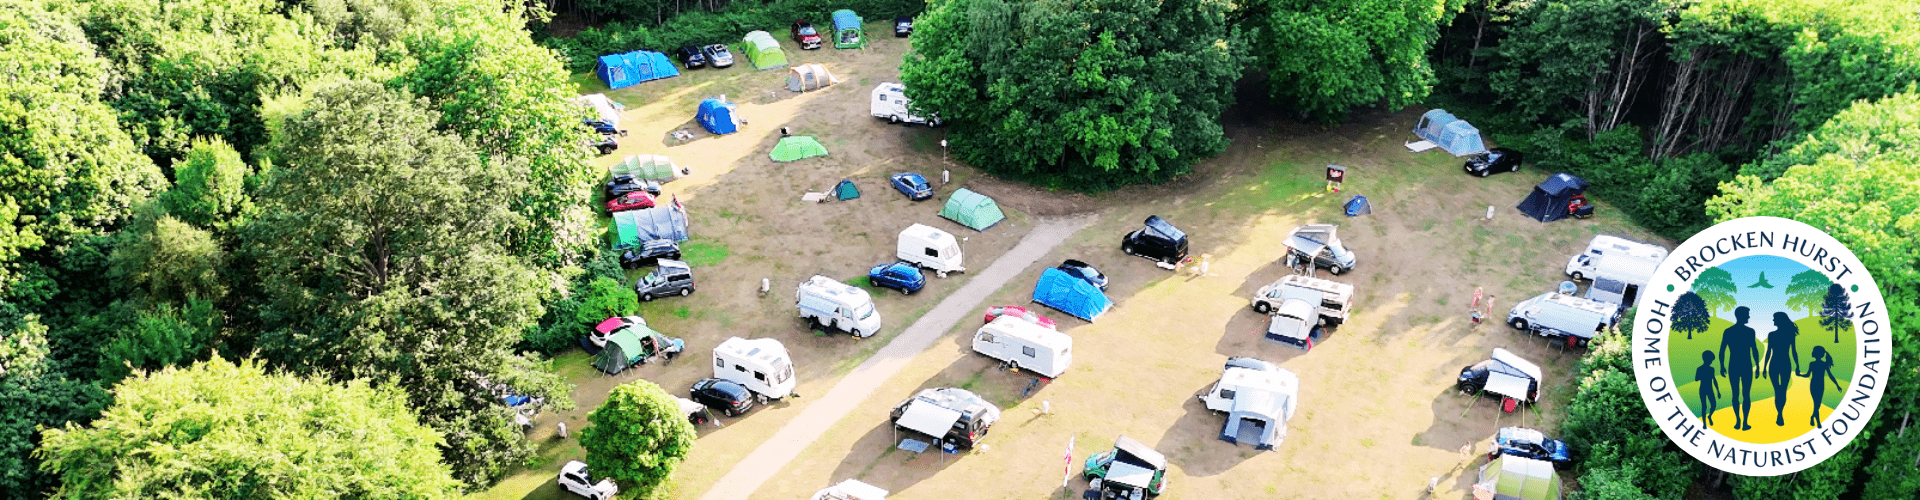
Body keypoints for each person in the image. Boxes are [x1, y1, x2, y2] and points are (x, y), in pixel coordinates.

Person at [1719, 306, 1760, 431]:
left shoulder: (1729, 331)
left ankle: (1739, 421)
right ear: (1741, 315)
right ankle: (1743, 421)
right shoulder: (1749, 331)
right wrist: (1757, 366)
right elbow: (1754, 350)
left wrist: (1722, 366)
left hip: (1735, 365)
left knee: (1736, 394)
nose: (1749, 316)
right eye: (1747, 314)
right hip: (1744, 365)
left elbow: (1722, 351)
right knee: (1744, 394)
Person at [1762, 311, 1801, 426]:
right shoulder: (1778, 334)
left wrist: (1765, 367)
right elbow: (1769, 351)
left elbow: (1793, 351)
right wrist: (1764, 367)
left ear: (1779, 320)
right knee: (1781, 390)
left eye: (1774, 318)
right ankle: (1780, 413)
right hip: (1783, 364)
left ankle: (1779, 413)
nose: (1773, 320)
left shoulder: (1778, 335)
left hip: (1777, 364)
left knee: (1779, 390)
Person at [1804, 346, 1841, 427]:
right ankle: (1818, 422)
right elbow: (1807, 374)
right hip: (1813, 385)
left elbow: (1830, 375)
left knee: (1818, 404)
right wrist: (1800, 374)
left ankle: (1812, 416)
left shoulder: (1824, 364)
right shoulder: (1812, 364)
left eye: (1813, 351)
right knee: (1816, 403)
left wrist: (1837, 385)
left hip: (1821, 385)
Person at [1696, 351, 1720, 426]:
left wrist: (1718, 391)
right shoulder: (1699, 368)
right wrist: (1703, 376)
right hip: (1703, 388)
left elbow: (1714, 379)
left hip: (1710, 389)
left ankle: (1709, 416)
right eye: (1710, 360)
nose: (1711, 362)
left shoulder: (1711, 369)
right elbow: (1696, 378)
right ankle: (1704, 424)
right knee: (1704, 406)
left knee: (1713, 404)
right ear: (1705, 359)